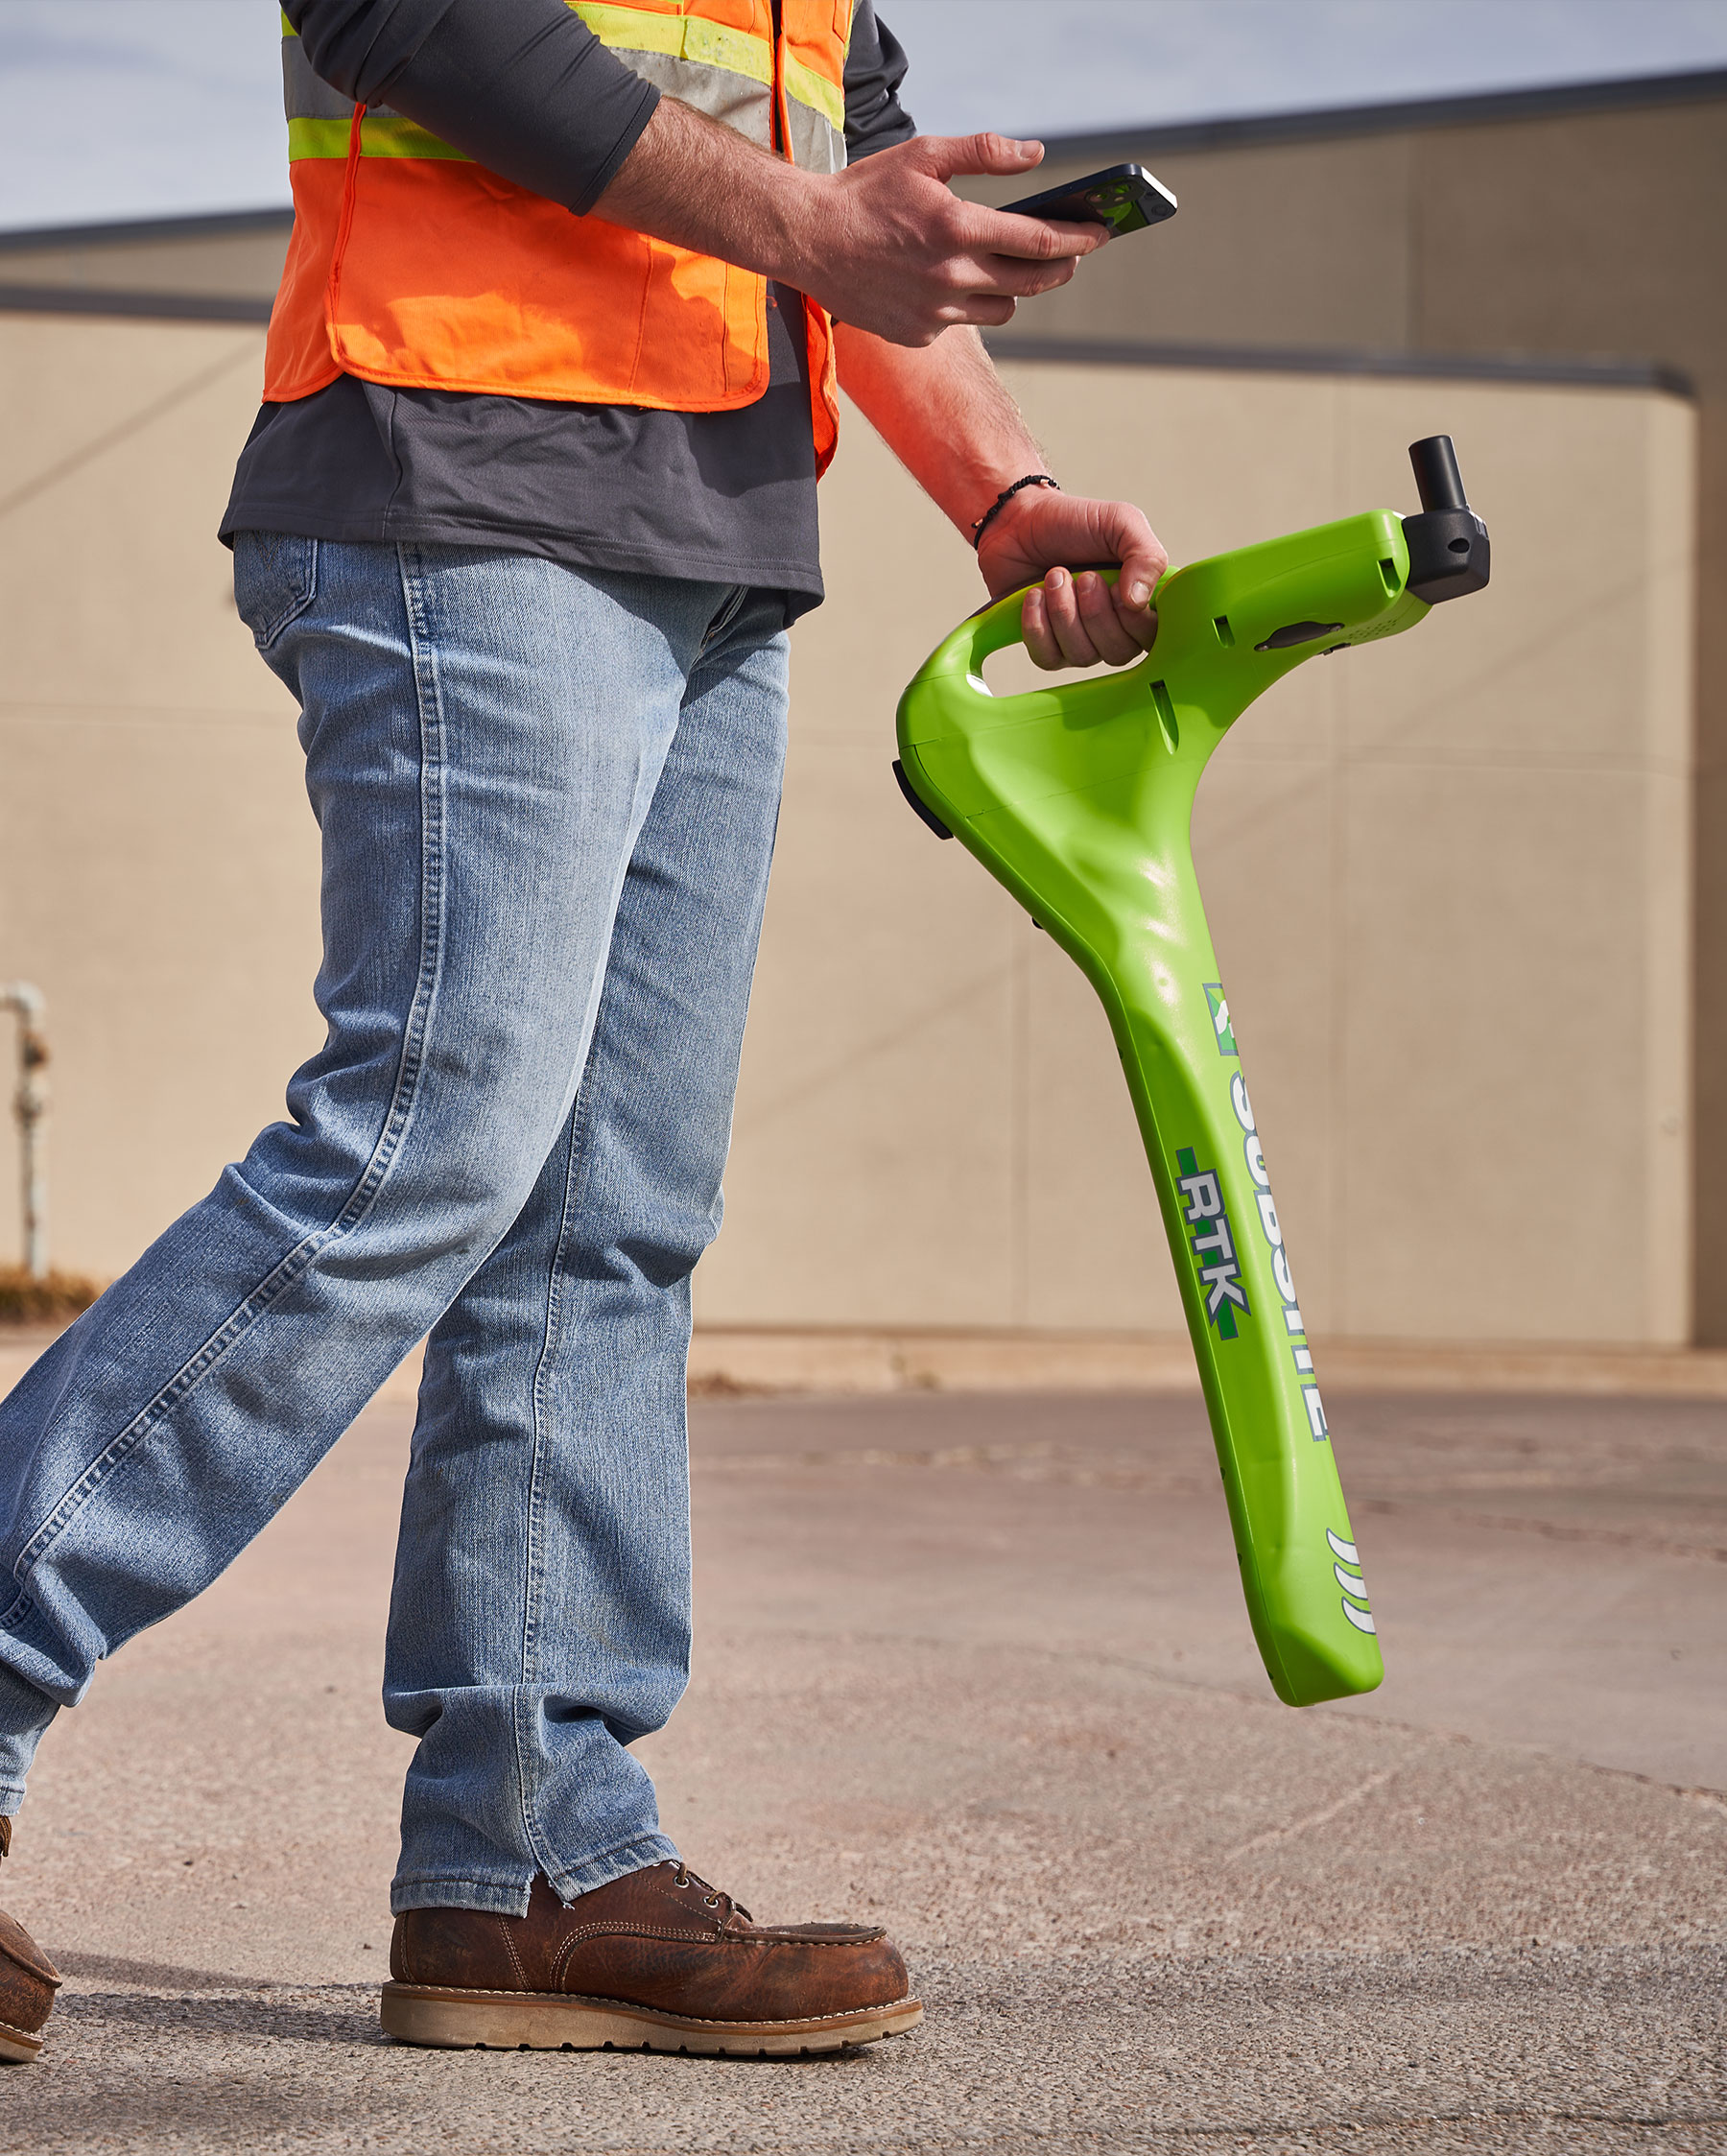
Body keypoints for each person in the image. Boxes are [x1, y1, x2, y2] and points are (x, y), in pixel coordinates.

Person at [0, 0, 1166, 2063]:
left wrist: (1006, 494)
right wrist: (818, 223)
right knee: (422, 1136)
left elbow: (849, 185)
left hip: (715, 547)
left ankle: (528, 1854)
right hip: (464, 469)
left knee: (606, 1213)